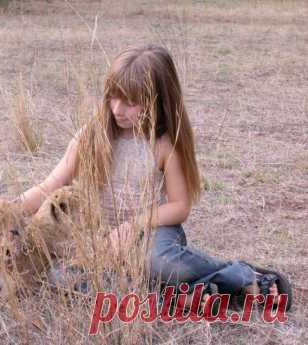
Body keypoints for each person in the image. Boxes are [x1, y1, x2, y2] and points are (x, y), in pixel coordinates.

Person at [16, 45, 290, 310]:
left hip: (151, 233)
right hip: (100, 237)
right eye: (112, 96)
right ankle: (178, 293)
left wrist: (133, 226)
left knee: (160, 263)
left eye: (131, 101)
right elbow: (49, 187)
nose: (117, 109)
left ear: (156, 99)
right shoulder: (92, 136)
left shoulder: (162, 145)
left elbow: (179, 207)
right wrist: (8, 211)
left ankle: (239, 274)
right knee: (54, 273)